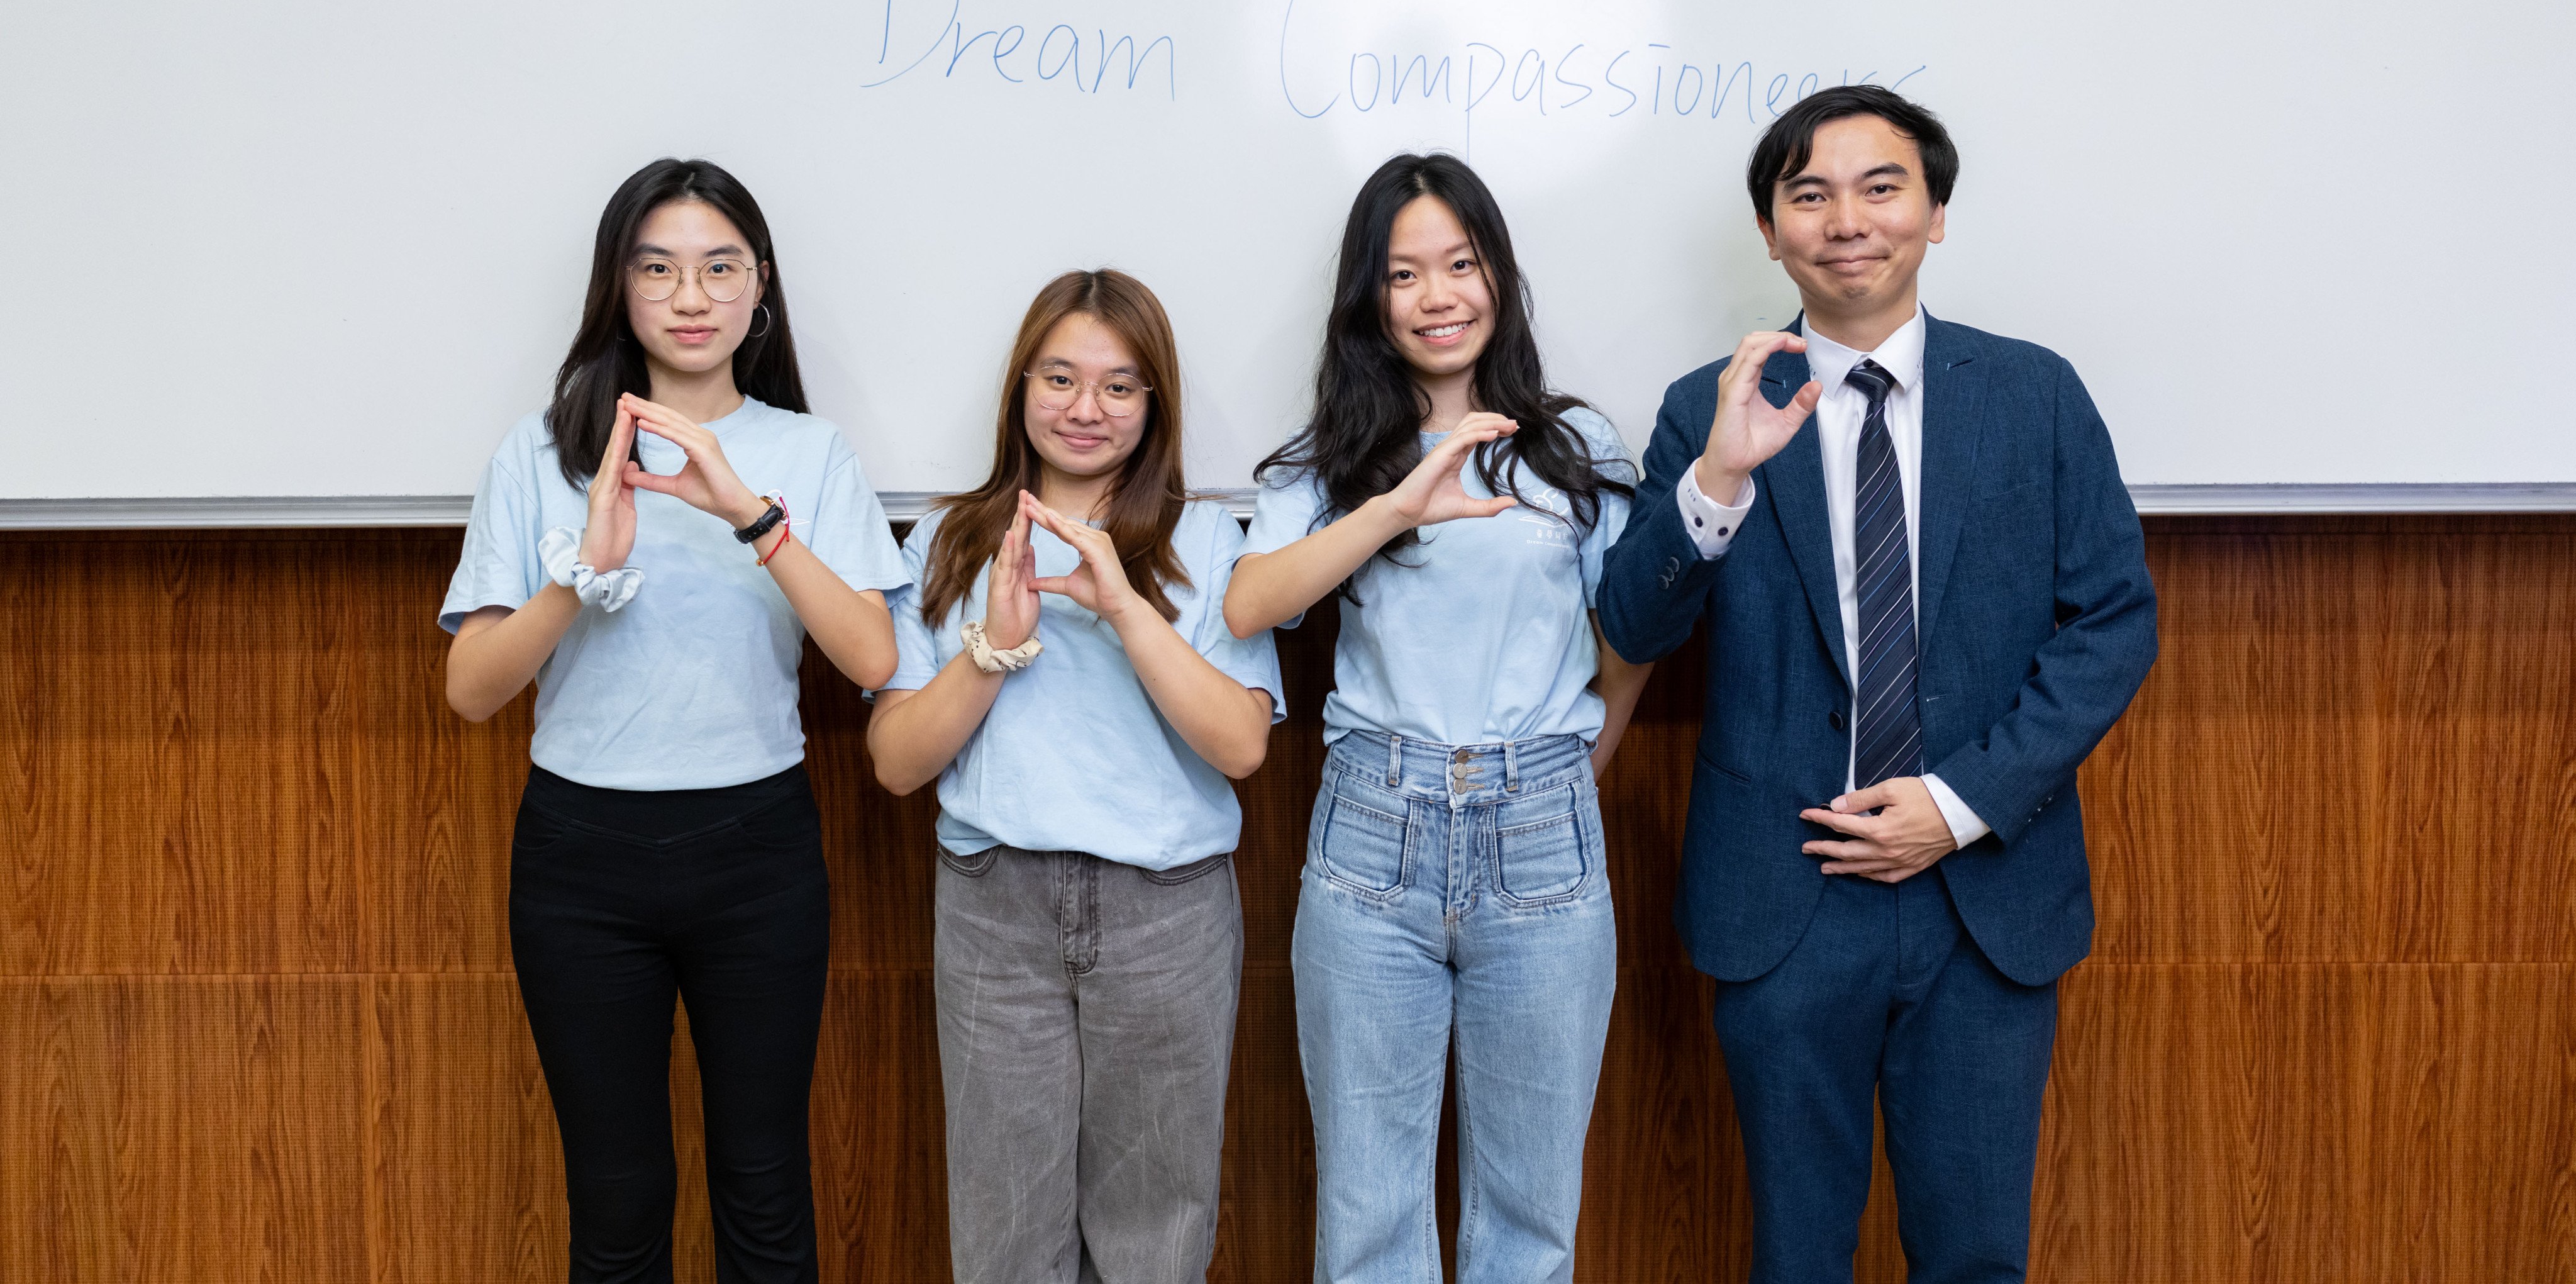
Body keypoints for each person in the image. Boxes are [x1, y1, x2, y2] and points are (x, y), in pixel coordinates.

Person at [1597, 85, 2159, 1283]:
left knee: (1976, 1258)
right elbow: (1635, 624)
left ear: (1936, 214)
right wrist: (1719, 482)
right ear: (1770, 232)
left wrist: (1955, 806)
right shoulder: (1709, 405)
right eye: (1810, 195)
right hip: (1784, 897)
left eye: (1881, 188)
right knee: (1797, 1258)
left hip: (1982, 895)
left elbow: (2113, 622)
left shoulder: (2034, 395)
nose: (1847, 220)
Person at [440, 158, 907, 1284]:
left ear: (761, 287)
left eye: (719, 269)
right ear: (619, 286)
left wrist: (751, 514)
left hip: (758, 853)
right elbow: (472, 689)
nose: (690, 297)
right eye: (657, 270)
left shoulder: (811, 453)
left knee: (765, 1190)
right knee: (616, 1201)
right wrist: (580, 577)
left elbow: (872, 657)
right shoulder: (541, 453)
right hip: (581, 857)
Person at [1224, 152, 1654, 1284]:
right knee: (1368, 1214)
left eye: (1460, 265)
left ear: (1498, 274)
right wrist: (1394, 507)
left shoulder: (1573, 445)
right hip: (1375, 828)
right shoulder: (1330, 460)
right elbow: (1253, 603)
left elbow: (1628, 642)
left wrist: (1570, 777)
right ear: (1370, 298)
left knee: (1530, 1214)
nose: (1437, 296)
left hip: (1542, 827)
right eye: (1404, 274)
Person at [868, 269, 1282, 1284]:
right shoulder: (950, 538)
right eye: (1059, 379)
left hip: (1168, 912)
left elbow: (1241, 746)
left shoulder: (1204, 538)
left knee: (1156, 1233)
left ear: (1155, 403)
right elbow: (897, 761)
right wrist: (993, 647)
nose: (1085, 409)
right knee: (1006, 1231)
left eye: (1119, 386)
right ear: (1021, 387)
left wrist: (1126, 608)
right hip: (994, 908)